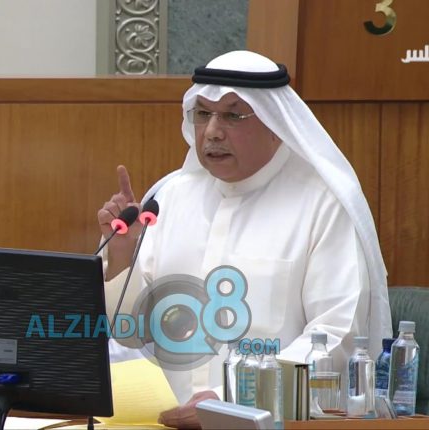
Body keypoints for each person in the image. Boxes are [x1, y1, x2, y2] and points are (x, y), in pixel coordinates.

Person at [97, 50, 392, 428]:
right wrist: (122, 254)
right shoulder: (170, 197)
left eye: (233, 116)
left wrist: (231, 401)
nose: (212, 131)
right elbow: (132, 332)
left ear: (274, 122)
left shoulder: (322, 204)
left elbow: (336, 337)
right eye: (203, 113)